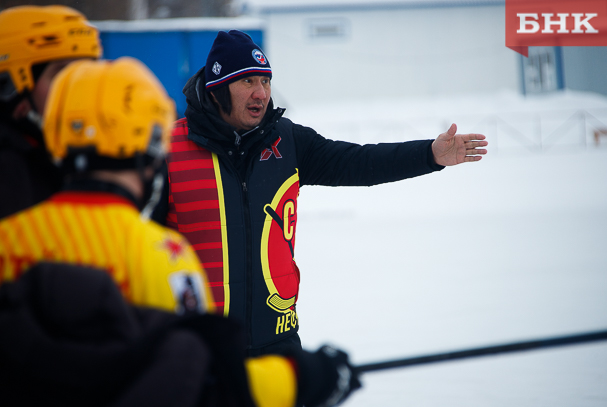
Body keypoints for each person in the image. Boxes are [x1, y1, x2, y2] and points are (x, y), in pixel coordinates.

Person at [0, 57, 361, 407]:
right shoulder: (165, 258)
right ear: (153, 144)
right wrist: (302, 377)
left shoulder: (8, 239)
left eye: (264, 81)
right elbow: (206, 382)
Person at [164, 30, 489, 356]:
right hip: (199, 349)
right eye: (248, 81)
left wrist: (429, 155)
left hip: (277, 343)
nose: (261, 93)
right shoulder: (169, 150)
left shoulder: (287, 142)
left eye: (265, 81)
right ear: (218, 88)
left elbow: (359, 162)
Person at [0, 5, 102, 219]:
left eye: (86, 74)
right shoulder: (10, 170)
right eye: (61, 75)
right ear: (11, 86)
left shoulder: (72, 157)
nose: (79, 88)